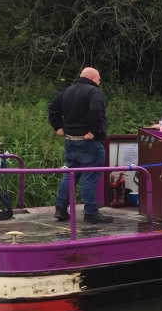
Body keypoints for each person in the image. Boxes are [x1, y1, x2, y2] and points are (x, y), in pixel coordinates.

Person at [48, 67, 113, 224]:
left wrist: (58, 126)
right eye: (98, 79)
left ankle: (61, 209)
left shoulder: (67, 91)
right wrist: (94, 130)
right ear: (92, 78)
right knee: (90, 177)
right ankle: (91, 212)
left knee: (71, 174)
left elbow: (52, 108)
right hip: (89, 142)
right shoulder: (93, 92)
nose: (99, 82)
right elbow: (96, 111)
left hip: (71, 141)